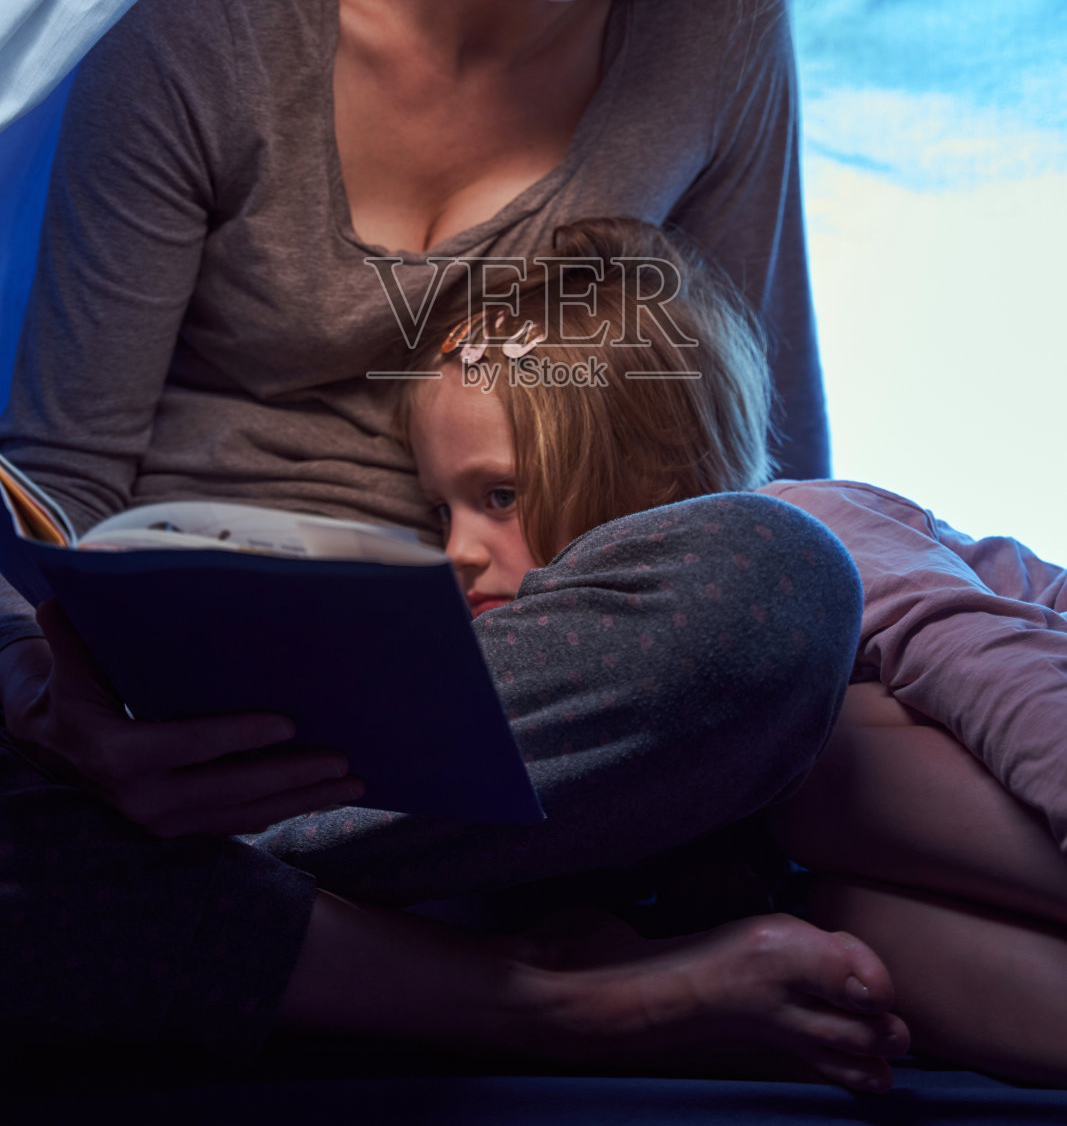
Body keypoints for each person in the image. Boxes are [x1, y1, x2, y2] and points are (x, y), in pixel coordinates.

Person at [0, 0, 904, 1090]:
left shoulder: (718, 27)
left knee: (775, 588)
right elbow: (59, 477)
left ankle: (238, 902)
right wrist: (71, 721)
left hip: (532, 693)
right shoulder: (202, 22)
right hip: (193, 710)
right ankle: (545, 995)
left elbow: (760, 461)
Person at [404, 215, 1067, 1086]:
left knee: (830, 760)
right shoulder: (600, 706)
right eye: (439, 512)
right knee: (842, 933)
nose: (456, 550)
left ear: (648, 472)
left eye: (500, 496)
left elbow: (999, 666)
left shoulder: (799, 529)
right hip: (905, 874)